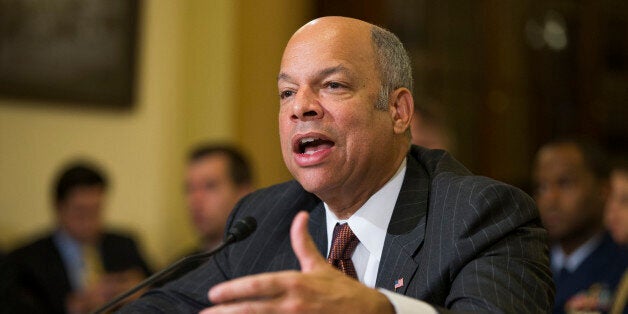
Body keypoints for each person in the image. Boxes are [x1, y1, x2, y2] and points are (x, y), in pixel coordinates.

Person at [121, 16, 553, 313]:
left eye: (332, 85)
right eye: (287, 93)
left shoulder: (482, 216)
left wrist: (380, 310)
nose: (301, 108)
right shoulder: (266, 217)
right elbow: (166, 305)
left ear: (399, 111)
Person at [0, 161, 152, 314]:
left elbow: (162, 290)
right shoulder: (26, 259)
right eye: (80, 211)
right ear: (58, 207)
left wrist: (142, 291)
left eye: (96, 210)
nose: (89, 221)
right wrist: (72, 307)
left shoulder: (125, 245)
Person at [533, 139, 628, 314]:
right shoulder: (525, 261)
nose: (549, 200)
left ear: (603, 190)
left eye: (564, 183)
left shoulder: (622, 266)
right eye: (542, 187)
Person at [157, 144, 254, 285]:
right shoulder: (178, 268)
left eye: (210, 186)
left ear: (244, 193)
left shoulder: (267, 260)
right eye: (189, 188)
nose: (195, 200)